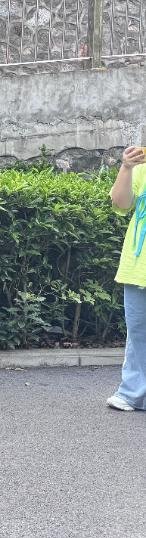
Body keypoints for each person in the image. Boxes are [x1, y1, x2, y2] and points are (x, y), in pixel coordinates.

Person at [108, 144, 146, 411]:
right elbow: (121, 204)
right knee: (138, 331)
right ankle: (133, 392)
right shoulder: (142, 168)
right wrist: (126, 167)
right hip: (138, 264)